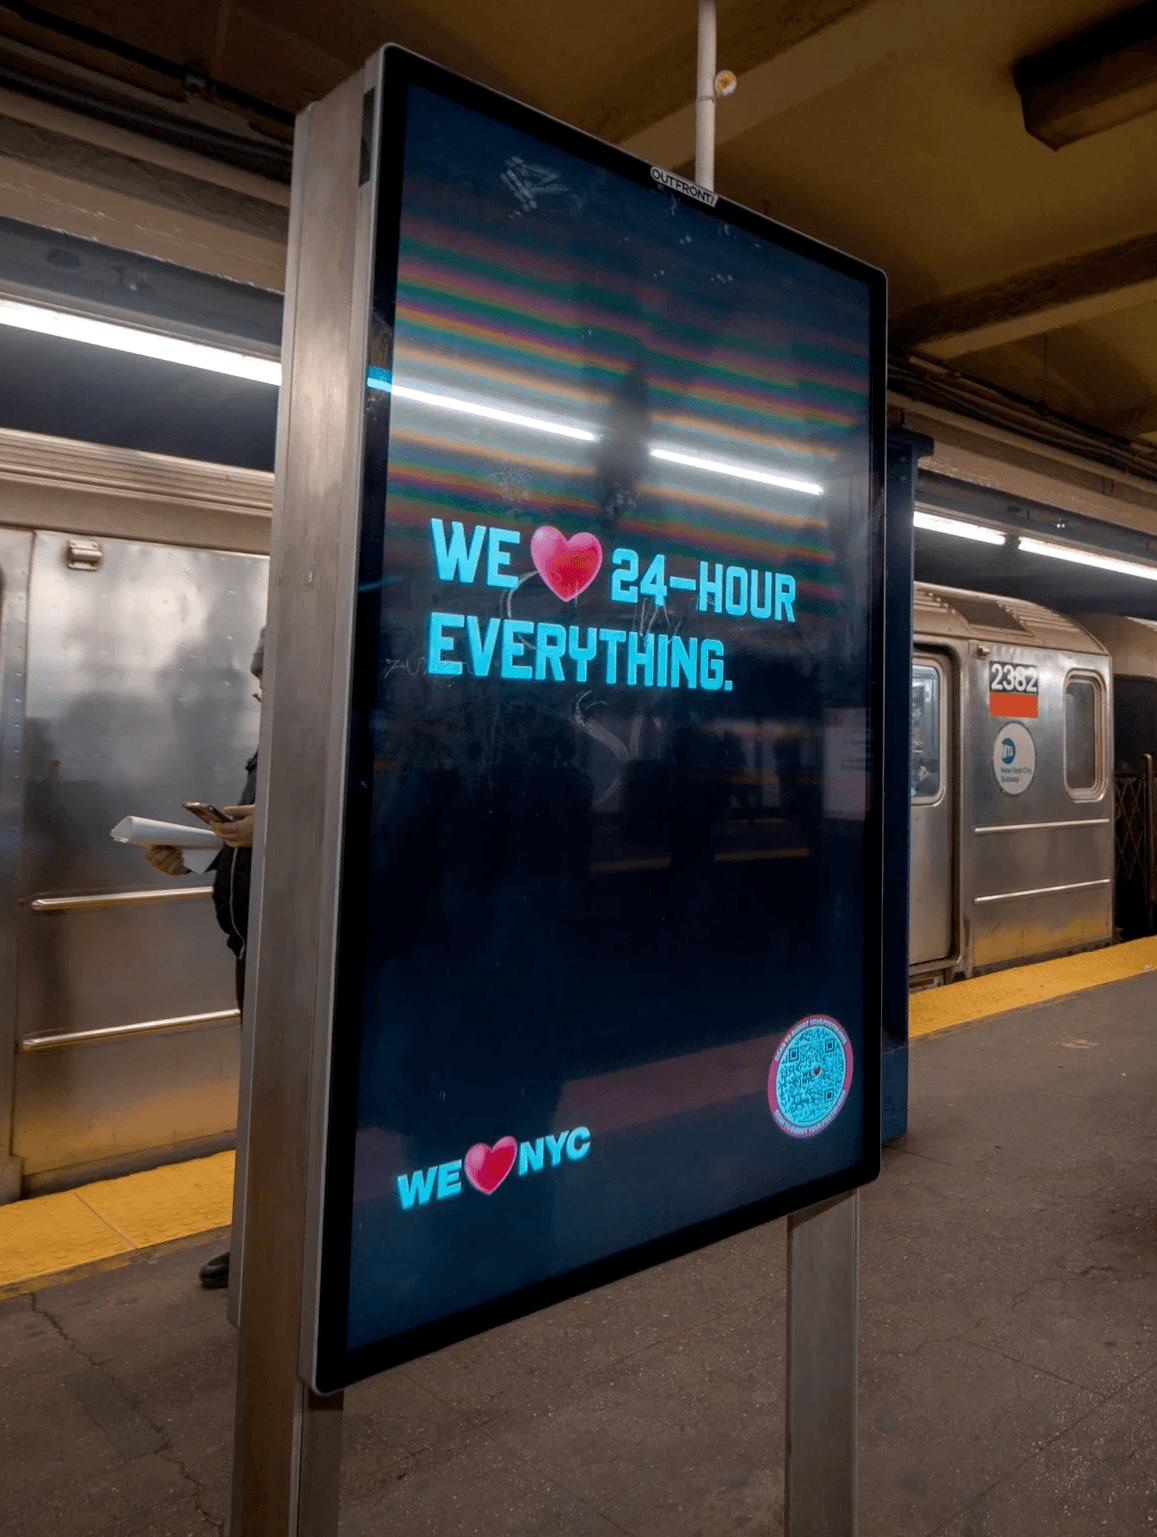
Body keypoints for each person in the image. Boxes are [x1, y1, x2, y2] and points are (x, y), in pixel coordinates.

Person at [145, 629, 263, 1289]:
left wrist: (273, 826)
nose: (263, 699)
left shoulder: (348, 744)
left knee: (292, 1106)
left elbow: (356, 829)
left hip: (305, 963)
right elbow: (257, 827)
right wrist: (200, 851)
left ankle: (290, 1244)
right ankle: (258, 1236)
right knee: (263, 1106)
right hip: (255, 950)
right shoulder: (266, 747)